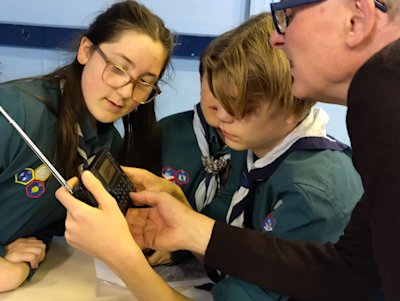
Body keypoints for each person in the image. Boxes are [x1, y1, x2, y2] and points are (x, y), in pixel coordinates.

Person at [57, 13, 364, 301]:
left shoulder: (313, 195)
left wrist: (121, 256)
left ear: (295, 102)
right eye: (214, 104)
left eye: (240, 107)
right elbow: (226, 250)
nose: (222, 119)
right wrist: (180, 209)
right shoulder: (256, 147)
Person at [122, 1, 399, 300]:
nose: (276, 38)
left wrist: (121, 258)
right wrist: (190, 226)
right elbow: (348, 270)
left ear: (357, 19)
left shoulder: (382, 111)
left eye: (288, 18)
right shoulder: (255, 149)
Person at [0, 0, 173, 292]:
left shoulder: (108, 145)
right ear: (86, 51)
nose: (126, 92)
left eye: (144, 82)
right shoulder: (14, 114)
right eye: (118, 68)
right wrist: (8, 271)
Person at [138, 31, 247, 267]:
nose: (224, 111)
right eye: (214, 88)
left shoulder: (255, 149)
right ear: (200, 83)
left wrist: (182, 250)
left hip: (231, 266)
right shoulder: (166, 132)